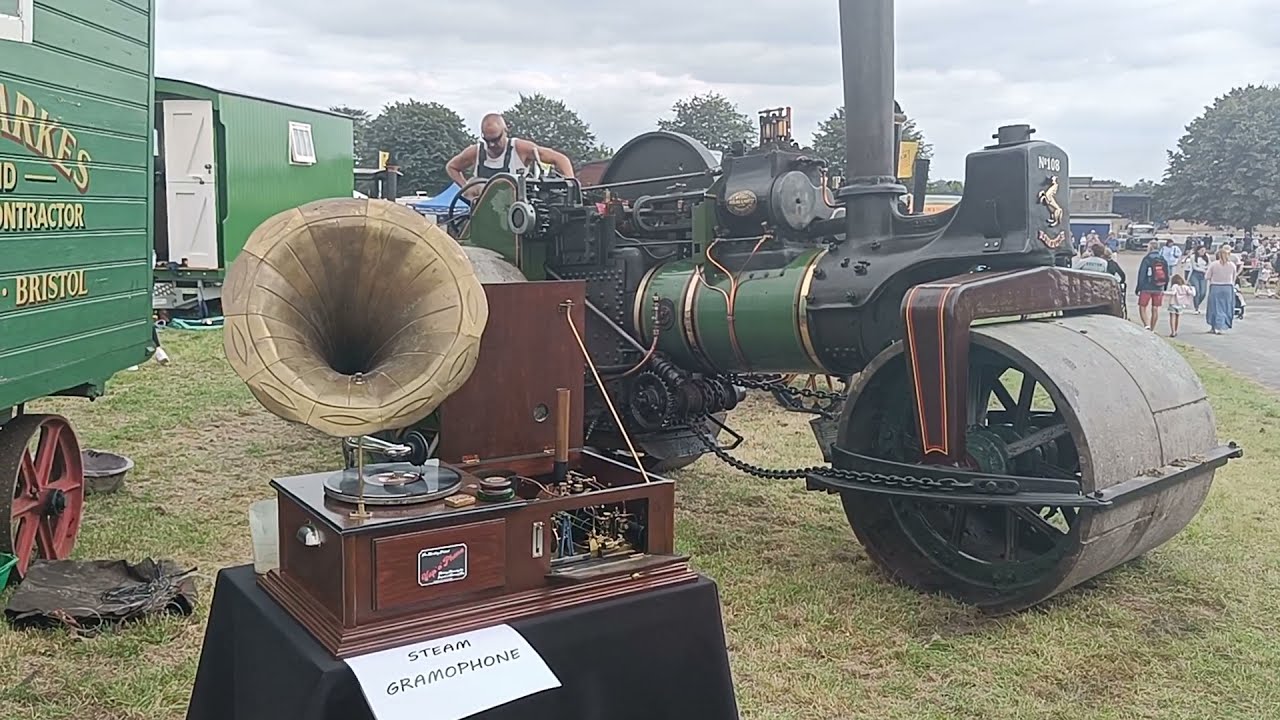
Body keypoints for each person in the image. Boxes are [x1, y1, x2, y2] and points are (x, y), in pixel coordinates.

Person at [445, 113, 575, 201]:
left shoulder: (520, 148)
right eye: (487, 140)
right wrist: (465, 187)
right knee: (474, 185)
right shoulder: (476, 152)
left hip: (515, 211)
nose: (492, 145)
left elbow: (561, 159)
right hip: (483, 215)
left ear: (505, 131)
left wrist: (571, 185)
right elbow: (451, 167)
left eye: (496, 139)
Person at [1135, 240, 1171, 331]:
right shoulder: (1162, 259)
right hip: (1159, 286)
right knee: (1155, 308)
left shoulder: (1147, 258)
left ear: (1150, 247)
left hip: (1146, 286)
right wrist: (1165, 286)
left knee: (1142, 306)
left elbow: (1142, 274)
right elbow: (1167, 273)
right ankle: (1153, 328)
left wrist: (1139, 287)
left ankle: (1146, 325)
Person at [1204, 245, 1238, 334]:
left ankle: (1215, 326)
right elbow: (1234, 277)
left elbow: (1207, 276)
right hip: (1228, 287)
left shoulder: (1214, 264)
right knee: (1225, 307)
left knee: (1214, 307)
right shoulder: (1232, 265)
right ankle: (1221, 325)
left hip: (1215, 286)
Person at [1187, 245, 1209, 313]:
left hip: (1203, 275)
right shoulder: (1193, 257)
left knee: (1203, 292)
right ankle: (1196, 307)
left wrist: (1206, 269)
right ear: (1198, 250)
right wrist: (1202, 269)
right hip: (1195, 274)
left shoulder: (1206, 256)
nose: (1203, 252)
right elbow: (1194, 267)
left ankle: (1197, 303)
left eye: (1204, 251)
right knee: (1197, 291)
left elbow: (1209, 264)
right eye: (1201, 250)